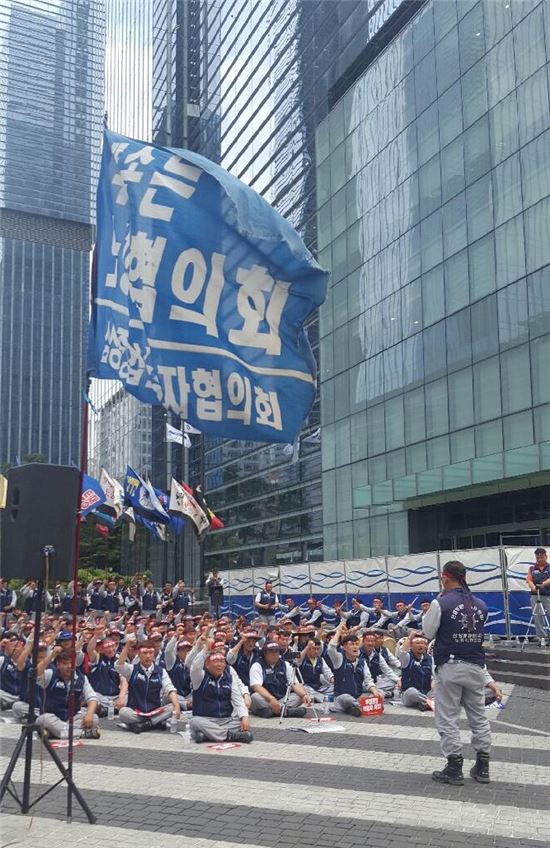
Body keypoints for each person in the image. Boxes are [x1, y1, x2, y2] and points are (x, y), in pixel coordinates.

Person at [423, 560, 491, 786]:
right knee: (479, 718)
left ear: (445, 577)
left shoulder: (440, 602)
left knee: (448, 718)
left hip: (450, 665)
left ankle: (454, 766)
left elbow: (428, 632)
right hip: (476, 667)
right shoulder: (481, 604)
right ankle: (482, 766)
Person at [14, 646, 100, 739]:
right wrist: (51, 655)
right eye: (65, 663)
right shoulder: (51, 674)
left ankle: (55, 733)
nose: (69, 666)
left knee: (94, 718)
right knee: (43, 720)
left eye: (72, 663)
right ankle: (82, 733)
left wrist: (89, 714)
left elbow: (92, 698)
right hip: (52, 716)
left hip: (72, 718)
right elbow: (35, 674)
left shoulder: (82, 678)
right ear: (58, 664)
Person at [188, 638, 252, 743]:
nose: (219, 665)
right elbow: (195, 667)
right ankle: (229, 736)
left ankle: (207, 735)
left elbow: (237, 699)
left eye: (222, 661)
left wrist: (244, 716)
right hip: (205, 719)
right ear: (207, 665)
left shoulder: (229, 678)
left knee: (241, 719)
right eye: (215, 661)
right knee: (195, 722)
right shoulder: (200, 677)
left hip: (226, 720)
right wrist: (205, 650)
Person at [116, 638, 181, 733]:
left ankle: (146, 724)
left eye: (150, 653)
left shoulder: (161, 671)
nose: (148, 656)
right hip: (136, 712)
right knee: (123, 712)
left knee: (172, 707)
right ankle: (155, 723)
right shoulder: (132, 669)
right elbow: (119, 666)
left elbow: (170, 688)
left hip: (154, 711)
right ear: (138, 653)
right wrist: (127, 646)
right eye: (145, 653)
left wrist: (177, 705)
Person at [327, 624, 382, 716]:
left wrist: (375, 692)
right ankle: (361, 707)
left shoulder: (362, 662)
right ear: (344, 647)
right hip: (341, 697)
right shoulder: (339, 659)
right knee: (346, 698)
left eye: (357, 644)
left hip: (358, 697)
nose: (355, 647)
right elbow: (330, 649)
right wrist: (338, 632)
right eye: (352, 644)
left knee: (378, 693)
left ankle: (355, 708)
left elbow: (368, 681)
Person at [249, 642, 310, 718]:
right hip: (266, 699)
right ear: (265, 653)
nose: (274, 654)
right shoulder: (257, 665)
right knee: (255, 697)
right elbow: (257, 687)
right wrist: (271, 699)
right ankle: (286, 711)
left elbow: (294, 683)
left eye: (277, 652)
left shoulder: (286, 665)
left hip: (282, 698)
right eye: (271, 652)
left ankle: (273, 711)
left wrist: (304, 695)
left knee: (298, 696)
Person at [396, 633, 434, 711]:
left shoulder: (430, 659)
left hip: (426, 692)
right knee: (411, 692)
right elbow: (402, 653)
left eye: (423, 643)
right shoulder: (407, 658)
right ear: (411, 646)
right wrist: (410, 637)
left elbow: (435, 676)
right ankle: (432, 703)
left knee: (440, 689)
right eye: (417, 643)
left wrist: (434, 683)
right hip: (409, 695)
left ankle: (425, 704)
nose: (420, 645)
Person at [361, 631, 400, 698]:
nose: (370, 643)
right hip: (361, 683)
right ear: (363, 641)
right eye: (368, 641)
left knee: (394, 681)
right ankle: (383, 693)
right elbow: (366, 677)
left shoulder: (378, 655)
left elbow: (387, 670)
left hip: (375, 682)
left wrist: (398, 680)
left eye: (372, 641)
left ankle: (378, 693)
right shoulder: (358, 654)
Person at [526, 547, 550, 646]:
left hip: (548, 595)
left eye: (541, 557)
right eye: (537, 558)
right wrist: (532, 587)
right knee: (537, 617)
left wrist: (543, 584)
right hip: (535, 596)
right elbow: (529, 579)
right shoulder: (532, 568)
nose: (539, 559)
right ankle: (542, 637)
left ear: (546, 556)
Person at [297, 637, 333, 701]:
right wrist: (307, 647)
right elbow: (297, 662)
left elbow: (327, 673)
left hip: (318, 687)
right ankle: (324, 698)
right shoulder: (302, 658)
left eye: (318, 649)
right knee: (305, 690)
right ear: (308, 649)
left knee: (335, 688)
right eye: (314, 649)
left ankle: (320, 697)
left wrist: (333, 680)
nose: (316, 651)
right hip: (306, 686)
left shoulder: (321, 659)